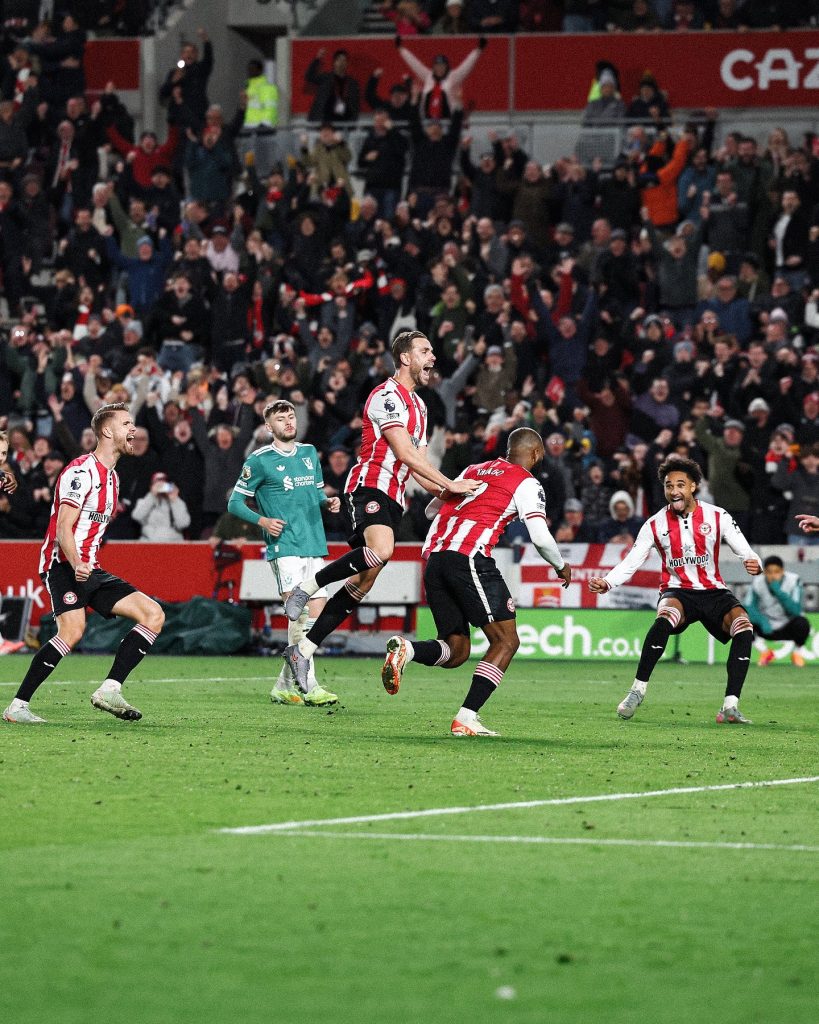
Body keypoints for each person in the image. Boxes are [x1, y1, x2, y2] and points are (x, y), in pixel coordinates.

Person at [282, 330, 479, 688]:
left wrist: (449, 495)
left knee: (364, 579)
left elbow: (416, 464)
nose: (433, 358)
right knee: (382, 550)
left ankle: (303, 650)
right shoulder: (386, 396)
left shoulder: (420, 407)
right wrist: (451, 483)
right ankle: (305, 587)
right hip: (368, 486)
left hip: (394, 498)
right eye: (425, 351)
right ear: (405, 357)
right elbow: (403, 453)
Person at [380, 427, 571, 736]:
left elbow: (434, 508)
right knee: (506, 641)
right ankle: (466, 717)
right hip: (468, 557)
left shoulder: (474, 469)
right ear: (535, 454)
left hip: (435, 559)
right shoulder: (526, 482)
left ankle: (407, 649)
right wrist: (560, 566)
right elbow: (539, 535)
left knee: (456, 650)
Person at [3, 404, 166, 725]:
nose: (133, 430)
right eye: (127, 424)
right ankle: (17, 707)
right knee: (73, 630)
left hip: (88, 568)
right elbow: (64, 527)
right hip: (62, 563)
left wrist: (86, 564)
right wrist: (76, 562)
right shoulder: (81, 472)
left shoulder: (114, 479)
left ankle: (110, 689)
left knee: (153, 614)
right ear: (107, 431)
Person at [588, 455, 762, 725]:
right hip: (677, 591)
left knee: (744, 627)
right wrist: (608, 582)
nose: (674, 491)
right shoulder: (655, 524)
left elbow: (746, 551)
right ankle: (636, 691)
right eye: (669, 486)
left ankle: (730, 706)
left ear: (693, 486)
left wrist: (755, 563)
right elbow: (633, 560)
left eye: (680, 484)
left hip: (714, 591)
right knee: (665, 616)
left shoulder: (718, 516)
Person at [227, 399, 342, 707]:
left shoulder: (309, 453)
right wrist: (262, 520)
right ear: (269, 427)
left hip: (314, 543)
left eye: (291, 416)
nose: (288, 422)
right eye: (281, 418)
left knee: (315, 616)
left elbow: (316, 492)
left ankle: (282, 684)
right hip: (285, 546)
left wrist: (327, 502)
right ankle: (311, 685)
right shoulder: (259, 460)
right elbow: (234, 503)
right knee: (300, 612)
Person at [748, 555, 812, 668]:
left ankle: (797, 653)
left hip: (787, 625)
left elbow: (796, 611)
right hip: (766, 625)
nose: (773, 575)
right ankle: (764, 651)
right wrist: (761, 620)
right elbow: (748, 607)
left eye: (776, 572)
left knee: (803, 623)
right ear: (764, 572)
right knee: (741, 621)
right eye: (769, 572)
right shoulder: (757, 582)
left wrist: (779, 592)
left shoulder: (794, 580)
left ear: (782, 571)